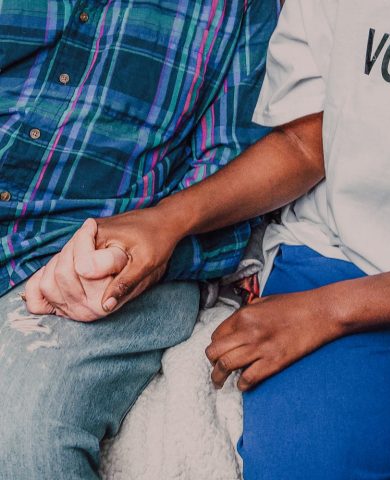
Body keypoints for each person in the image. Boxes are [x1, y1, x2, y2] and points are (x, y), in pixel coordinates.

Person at [42, 0, 390, 478]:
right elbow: (304, 145)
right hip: (330, 251)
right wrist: (167, 221)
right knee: (307, 463)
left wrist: (328, 310)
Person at [0, 1, 278, 478]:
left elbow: (229, 170)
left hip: (99, 253)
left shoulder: (243, 10)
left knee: (24, 440)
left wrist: (145, 247)